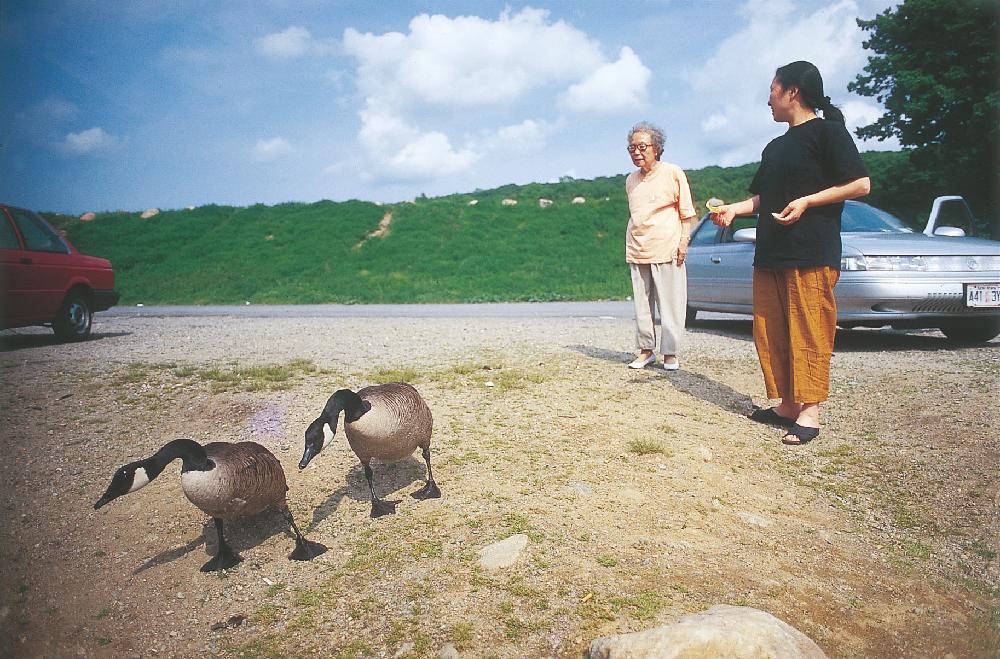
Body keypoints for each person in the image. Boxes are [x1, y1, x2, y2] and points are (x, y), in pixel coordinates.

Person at [712, 61, 871, 445]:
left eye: (772, 89)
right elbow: (766, 196)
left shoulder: (829, 133)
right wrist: (735, 208)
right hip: (771, 251)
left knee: (809, 330)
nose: (768, 99)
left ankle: (810, 411)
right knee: (772, 331)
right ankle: (786, 404)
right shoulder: (776, 146)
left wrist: (808, 201)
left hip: (811, 251)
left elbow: (860, 184)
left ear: (792, 92)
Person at [624, 122, 698, 371]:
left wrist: (683, 242)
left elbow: (686, 213)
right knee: (642, 306)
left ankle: (670, 353)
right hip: (638, 246)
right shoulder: (630, 180)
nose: (636, 152)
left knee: (671, 304)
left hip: (667, 246)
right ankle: (646, 350)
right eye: (631, 147)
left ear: (656, 148)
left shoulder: (673, 172)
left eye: (641, 147)